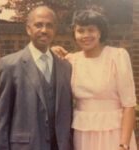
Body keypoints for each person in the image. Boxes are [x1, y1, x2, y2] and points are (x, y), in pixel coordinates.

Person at [52, 8, 137, 150]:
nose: (86, 35)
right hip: (82, 134)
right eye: (80, 30)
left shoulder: (117, 56)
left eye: (91, 30)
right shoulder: (71, 60)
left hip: (113, 134)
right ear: (74, 33)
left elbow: (129, 105)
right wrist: (51, 52)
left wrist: (124, 144)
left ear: (100, 32)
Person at [0, 4, 73, 150]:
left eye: (49, 25)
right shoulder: (10, 65)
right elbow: (2, 119)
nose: (44, 30)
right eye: (38, 25)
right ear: (28, 28)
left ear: (55, 30)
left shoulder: (65, 67)